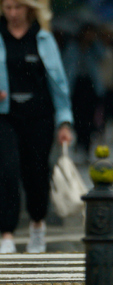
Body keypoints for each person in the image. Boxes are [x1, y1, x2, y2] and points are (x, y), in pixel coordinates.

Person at [0, 0, 73, 254]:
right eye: (7, 8)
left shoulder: (43, 38)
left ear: (28, 9)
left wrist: (65, 122)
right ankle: (6, 233)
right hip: (5, 116)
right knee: (6, 172)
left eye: (17, 8)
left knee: (36, 175)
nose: (12, 13)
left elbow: (59, 83)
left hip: (39, 117)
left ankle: (37, 225)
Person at [62, 23, 105, 163]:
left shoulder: (93, 48)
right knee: (78, 116)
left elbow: (103, 55)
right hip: (76, 85)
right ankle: (80, 144)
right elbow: (67, 65)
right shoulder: (73, 47)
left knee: (89, 118)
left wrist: (94, 42)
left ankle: (86, 146)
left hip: (90, 86)